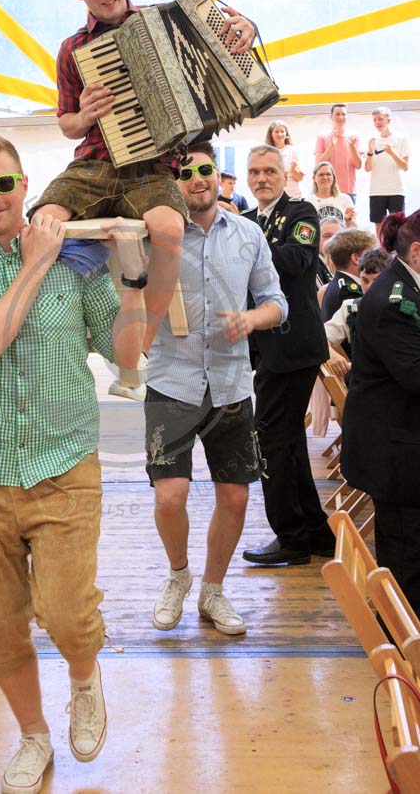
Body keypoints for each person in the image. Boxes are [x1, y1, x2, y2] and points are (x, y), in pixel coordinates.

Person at [0, 134, 147, 794]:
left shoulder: (76, 258)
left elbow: (125, 353)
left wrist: (133, 276)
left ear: (26, 185)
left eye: (3, 183)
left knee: (69, 614)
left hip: (63, 465)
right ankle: (33, 735)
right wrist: (35, 263)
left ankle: (84, 679)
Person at [27, 0, 256, 355]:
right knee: (41, 223)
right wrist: (84, 115)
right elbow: (67, 124)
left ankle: (141, 345)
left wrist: (248, 28)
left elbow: (227, 34)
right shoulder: (72, 49)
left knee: (169, 228)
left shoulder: (164, 20)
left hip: (153, 166)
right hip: (94, 166)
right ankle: (57, 330)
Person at [146, 146, 287, 636]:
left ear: (218, 176)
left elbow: (276, 301)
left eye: (204, 169)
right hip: (171, 382)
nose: (196, 179)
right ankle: (178, 575)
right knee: (170, 496)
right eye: (184, 172)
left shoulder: (248, 234)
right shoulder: (153, 236)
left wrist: (252, 319)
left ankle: (213, 590)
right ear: (174, 182)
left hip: (230, 385)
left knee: (236, 497)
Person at [240, 145, 333, 566]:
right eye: (254, 172)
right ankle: (314, 532)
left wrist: (245, 244)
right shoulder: (246, 220)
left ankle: (290, 536)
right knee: (288, 440)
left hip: (294, 345)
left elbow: (296, 260)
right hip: (266, 348)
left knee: (270, 440)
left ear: (284, 175)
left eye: (269, 171)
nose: (261, 178)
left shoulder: (301, 213)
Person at [341, 210, 420, 616]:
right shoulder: (394, 301)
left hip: (400, 436)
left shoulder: (405, 286)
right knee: (407, 553)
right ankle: (401, 631)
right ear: (417, 252)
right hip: (397, 450)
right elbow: (415, 375)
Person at [324, 248, 391, 377]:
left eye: (376, 280)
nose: (370, 287)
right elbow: (321, 337)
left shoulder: (405, 306)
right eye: (364, 280)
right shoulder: (351, 307)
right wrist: (331, 354)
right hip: (363, 382)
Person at [365, 107, 410, 236]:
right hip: (376, 191)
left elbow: (405, 166)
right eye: (375, 120)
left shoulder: (401, 139)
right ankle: (381, 249)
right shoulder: (372, 140)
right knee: (379, 226)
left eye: (380, 119)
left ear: (388, 121)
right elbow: (367, 168)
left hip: (396, 190)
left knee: (397, 226)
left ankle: (396, 249)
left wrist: (391, 152)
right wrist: (370, 152)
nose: (377, 122)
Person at [320, 228, 375, 324]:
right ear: (356, 258)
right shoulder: (350, 293)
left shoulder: (337, 285)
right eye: (370, 254)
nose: (374, 259)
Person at [314, 103, 363, 201]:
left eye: (343, 114)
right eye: (337, 114)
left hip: (349, 192)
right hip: (327, 191)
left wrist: (352, 146)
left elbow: (358, 165)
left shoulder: (354, 137)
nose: (341, 117)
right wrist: (331, 146)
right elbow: (318, 164)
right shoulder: (323, 136)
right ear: (331, 116)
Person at [307, 162, 356, 226]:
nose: (325, 177)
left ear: (333, 177)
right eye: (321, 175)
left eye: (328, 174)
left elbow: (354, 228)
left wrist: (348, 220)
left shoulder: (345, 199)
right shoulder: (308, 202)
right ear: (314, 178)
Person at [265, 120, 304, 197]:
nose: (280, 134)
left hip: (293, 195)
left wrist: (293, 169)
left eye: (282, 131)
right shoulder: (266, 153)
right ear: (271, 134)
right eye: (277, 132)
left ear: (286, 133)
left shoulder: (293, 150)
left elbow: (300, 178)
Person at [317, 216, 344, 289]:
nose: (332, 240)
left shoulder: (347, 264)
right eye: (327, 236)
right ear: (316, 239)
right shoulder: (312, 267)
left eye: (338, 236)